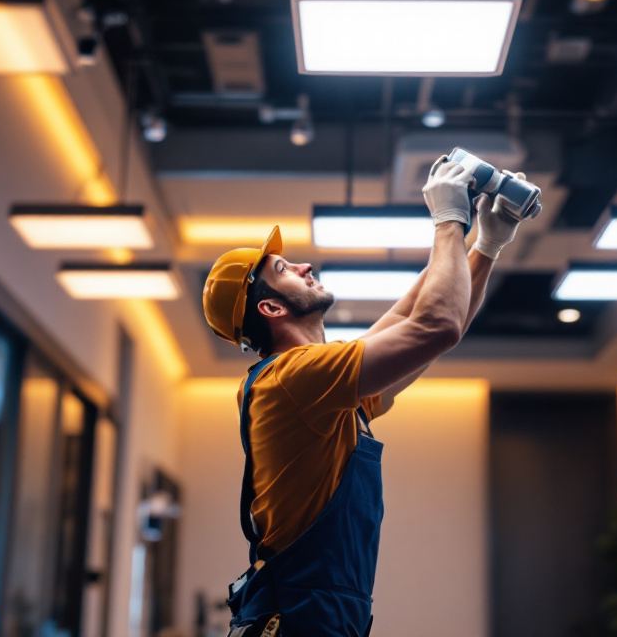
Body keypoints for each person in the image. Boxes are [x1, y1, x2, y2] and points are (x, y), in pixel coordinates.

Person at [201, 158, 533, 637]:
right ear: (270, 307)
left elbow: (417, 320)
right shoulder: (291, 378)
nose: (304, 265)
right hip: (301, 620)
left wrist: (485, 244)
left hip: (323, 616)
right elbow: (436, 327)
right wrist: (448, 221)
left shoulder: (321, 387)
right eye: (284, 269)